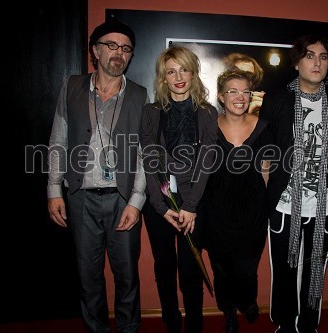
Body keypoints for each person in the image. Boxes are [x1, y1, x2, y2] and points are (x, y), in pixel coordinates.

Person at [47, 20, 148, 333]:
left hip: (122, 200)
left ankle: (129, 328)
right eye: (111, 45)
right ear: (95, 50)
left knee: (127, 275)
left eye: (126, 48)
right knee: (87, 275)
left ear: (130, 56)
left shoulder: (141, 95)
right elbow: (58, 140)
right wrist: (53, 189)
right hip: (80, 198)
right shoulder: (72, 86)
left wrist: (137, 200)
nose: (118, 53)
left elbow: (147, 153)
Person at [258, 34, 328, 333]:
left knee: (314, 271)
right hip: (284, 205)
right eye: (310, 56)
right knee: (284, 271)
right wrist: (268, 201)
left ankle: (308, 325)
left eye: (323, 57)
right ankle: (285, 324)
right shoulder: (277, 99)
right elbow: (265, 156)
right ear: (296, 63)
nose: (317, 62)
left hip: (324, 206)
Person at [140, 46, 218, 333]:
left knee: (190, 269)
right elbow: (149, 161)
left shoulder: (208, 113)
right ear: (163, 78)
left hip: (193, 204)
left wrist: (190, 206)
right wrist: (161, 208)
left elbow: (207, 161)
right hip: (160, 203)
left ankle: (194, 324)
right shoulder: (150, 112)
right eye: (171, 72)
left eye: (183, 69)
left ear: (193, 72)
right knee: (164, 266)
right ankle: (171, 321)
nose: (178, 77)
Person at [202, 68, 271, 333]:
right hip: (217, 210)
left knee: (246, 269)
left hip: (252, 210)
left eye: (245, 92)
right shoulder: (208, 127)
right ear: (221, 96)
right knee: (221, 270)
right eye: (233, 91)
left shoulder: (263, 126)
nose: (240, 97)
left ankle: (248, 301)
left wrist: (267, 207)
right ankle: (229, 312)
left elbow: (266, 169)